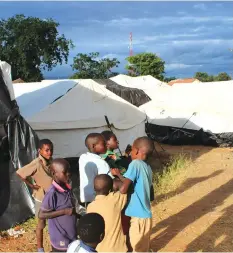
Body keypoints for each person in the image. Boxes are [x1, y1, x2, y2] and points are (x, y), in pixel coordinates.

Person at [111, 136, 154, 252]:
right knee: (142, 249)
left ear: (136, 151)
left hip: (138, 218)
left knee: (136, 249)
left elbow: (124, 189)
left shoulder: (135, 164)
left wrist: (116, 182)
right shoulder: (148, 168)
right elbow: (137, 186)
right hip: (146, 216)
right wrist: (120, 175)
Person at [16, 139, 53, 252]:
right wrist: (31, 185)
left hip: (51, 196)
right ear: (40, 151)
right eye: (46, 150)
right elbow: (20, 173)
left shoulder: (50, 161)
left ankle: (54, 245)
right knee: (41, 223)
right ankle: (40, 248)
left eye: (51, 150)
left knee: (53, 222)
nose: (49, 152)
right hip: (42, 197)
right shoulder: (36, 163)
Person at [38, 158, 77, 252]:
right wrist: (64, 211)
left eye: (69, 171)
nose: (69, 174)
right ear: (53, 173)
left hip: (71, 236)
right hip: (61, 239)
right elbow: (41, 215)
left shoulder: (67, 187)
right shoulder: (52, 193)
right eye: (65, 172)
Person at [87, 174, 128, 252]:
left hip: (100, 249)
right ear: (110, 190)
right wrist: (119, 175)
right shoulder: (114, 200)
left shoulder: (90, 207)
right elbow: (124, 186)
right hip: (118, 249)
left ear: (94, 189)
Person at [79, 133, 113, 207]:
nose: (106, 145)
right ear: (93, 146)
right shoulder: (101, 163)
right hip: (99, 200)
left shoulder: (83, 158)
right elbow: (108, 181)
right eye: (103, 144)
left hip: (86, 198)